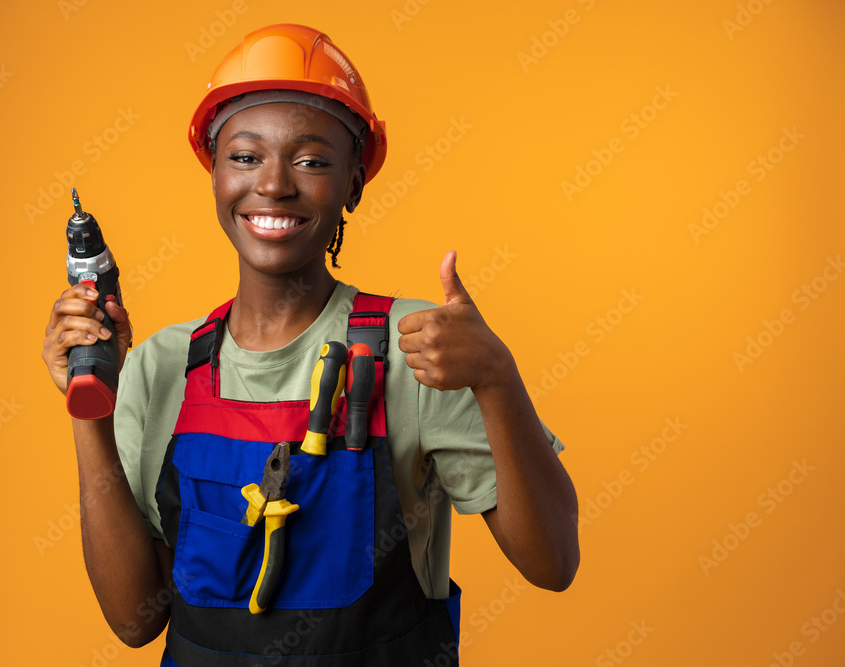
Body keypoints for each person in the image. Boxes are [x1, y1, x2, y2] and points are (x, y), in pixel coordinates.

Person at [42, 23, 579, 666]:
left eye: (312, 160)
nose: (273, 184)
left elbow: (553, 562)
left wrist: (497, 377)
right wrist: (91, 402)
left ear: (353, 182)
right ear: (214, 173)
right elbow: (134, 620)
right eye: (244, 156)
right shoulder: (161, 366)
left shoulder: (416, 352)